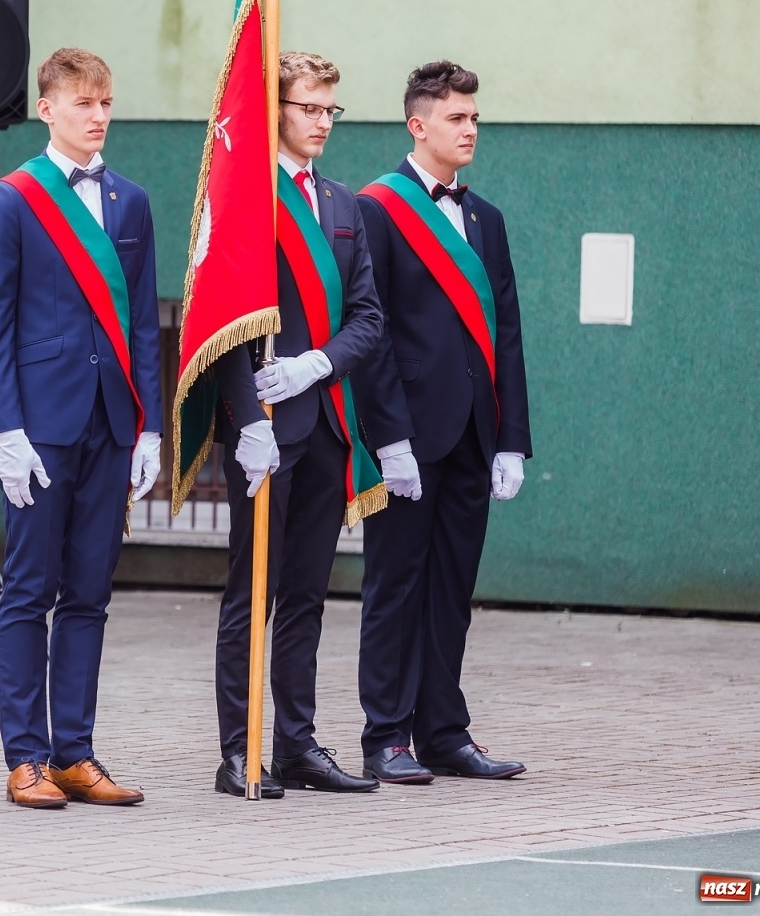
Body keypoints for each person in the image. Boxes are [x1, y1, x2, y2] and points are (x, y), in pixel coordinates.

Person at [0, 47, 164, 809]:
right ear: (47, 109)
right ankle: (26, 756)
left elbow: (144, 323)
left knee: (89, 593)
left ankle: (75, 753)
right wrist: (5, 431)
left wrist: (147, 428)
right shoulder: (12, 200)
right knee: (28, 592)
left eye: (106, 102)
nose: (99, 117)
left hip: (111, 420)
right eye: (83, 103)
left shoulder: (131, 202)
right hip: (41, 426)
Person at [352, 60, 533, 784]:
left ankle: (444, 731)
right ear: (417, 125)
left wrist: (512, 439)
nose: (470, 130)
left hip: (472, 433)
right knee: (395, 584)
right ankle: (386, 735)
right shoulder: (376, 208)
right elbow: (373, 332)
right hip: (408, 434)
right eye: (457, 119)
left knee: (452, 588)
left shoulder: (485, 218)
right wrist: (387, 435)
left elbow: (508, 333)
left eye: (475, 119)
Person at [211, 51, 385, 799]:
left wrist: (317, 365)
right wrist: (246, 419)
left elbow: (370, 318)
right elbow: (218, 320)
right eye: (308, 107)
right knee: (254, 592)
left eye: (329, 110)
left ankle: (297, 743)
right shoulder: (245, 195)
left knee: (308, 594)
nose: (321, 122)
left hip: (325, 420)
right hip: (266, 430)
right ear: (275, 109)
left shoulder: (344, 206)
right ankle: (238, 752)